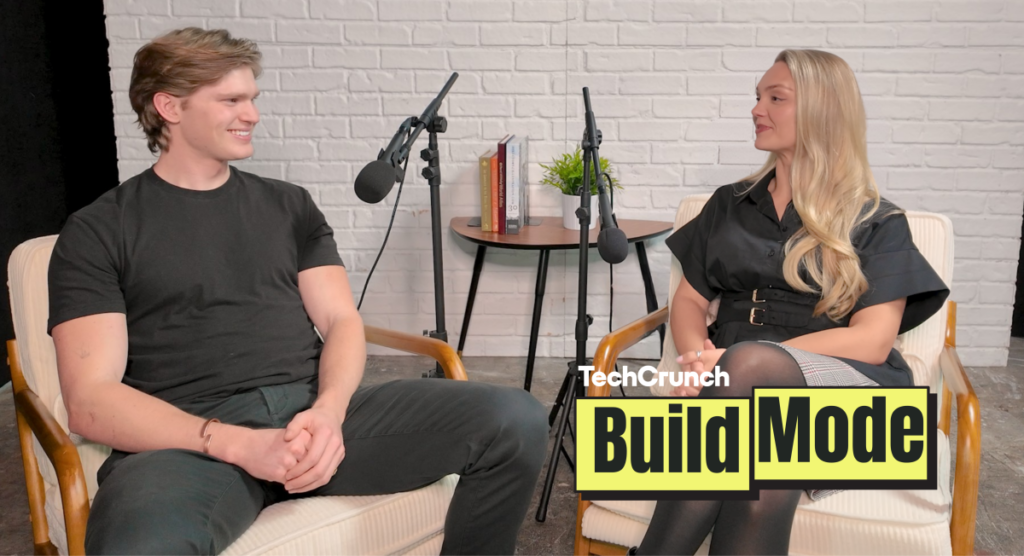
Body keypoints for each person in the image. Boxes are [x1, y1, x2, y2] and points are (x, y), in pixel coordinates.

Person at [47, 27, 548, 556]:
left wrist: (329, 412)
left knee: (513, 419)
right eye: (231, 100)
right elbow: (90, 400)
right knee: (140, 545)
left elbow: (340, 322)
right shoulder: (99, 230)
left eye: (252, 99)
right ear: (169, 107)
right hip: (189, 438)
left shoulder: (290, 207)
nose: (252, 114)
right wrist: (239, 444)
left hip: (312, 412)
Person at [629, 49, 949, 556]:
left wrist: (737, 363)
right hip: (736, 395)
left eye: (776, 98)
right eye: (758, 96)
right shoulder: (728, 204)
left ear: (823, 110)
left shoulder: (878, 220)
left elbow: (871, 340)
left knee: (749, 373)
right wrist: (695, 363)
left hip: (845, 395)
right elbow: (688, 302)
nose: (757, 109)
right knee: (766, 468)